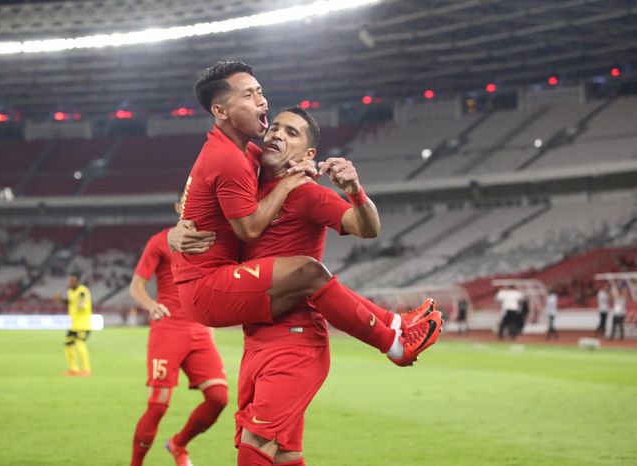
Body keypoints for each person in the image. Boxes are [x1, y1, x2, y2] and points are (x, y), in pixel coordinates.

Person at [167, 61, 441, 377]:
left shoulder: (250, 155)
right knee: (309, 270)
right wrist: (176, 234)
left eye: (260, 92)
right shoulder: (230, 158)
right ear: (221, 110)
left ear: (308, 154)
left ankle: (394, 324)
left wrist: (351, 189)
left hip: (238, 296)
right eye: (249, 95)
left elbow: (195, 202)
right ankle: (395, 343)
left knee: (259, 426)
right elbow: (249, 229)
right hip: (209, 289)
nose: (261, 101)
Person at [229, 107, 437, 466]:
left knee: (255, 443)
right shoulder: (250, 185)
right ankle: (395, 325)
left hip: (294, 343)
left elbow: (368, 228)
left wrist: (355, 190)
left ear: (309, 155)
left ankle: (394, 340)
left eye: (292, 133)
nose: (277, 134)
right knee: (285, 454)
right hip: (256, 340)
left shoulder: (306, 194)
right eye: (274, 127)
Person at [129, 201, 228, 466]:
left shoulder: (211, 240)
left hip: (200, 330)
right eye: (186, 200)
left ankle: (178, 444)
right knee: (159, 404)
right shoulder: (160, 241)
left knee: (219, 398)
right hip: (168, 328)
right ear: (177, 206)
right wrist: (151, 306)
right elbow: (137, 285)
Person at [54, 273, 93, 376]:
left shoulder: (82, 291)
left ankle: (86, 370)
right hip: (74, 325)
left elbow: (81, 302)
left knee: (80, 344)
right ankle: (73, 369)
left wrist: (81, 304)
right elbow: (70, 302)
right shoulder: (71, 291)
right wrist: (61, 300)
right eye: (69, 281)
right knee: (68, 345)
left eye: (72, 281)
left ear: (77, 281)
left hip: (84, 325)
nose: (70, 283)